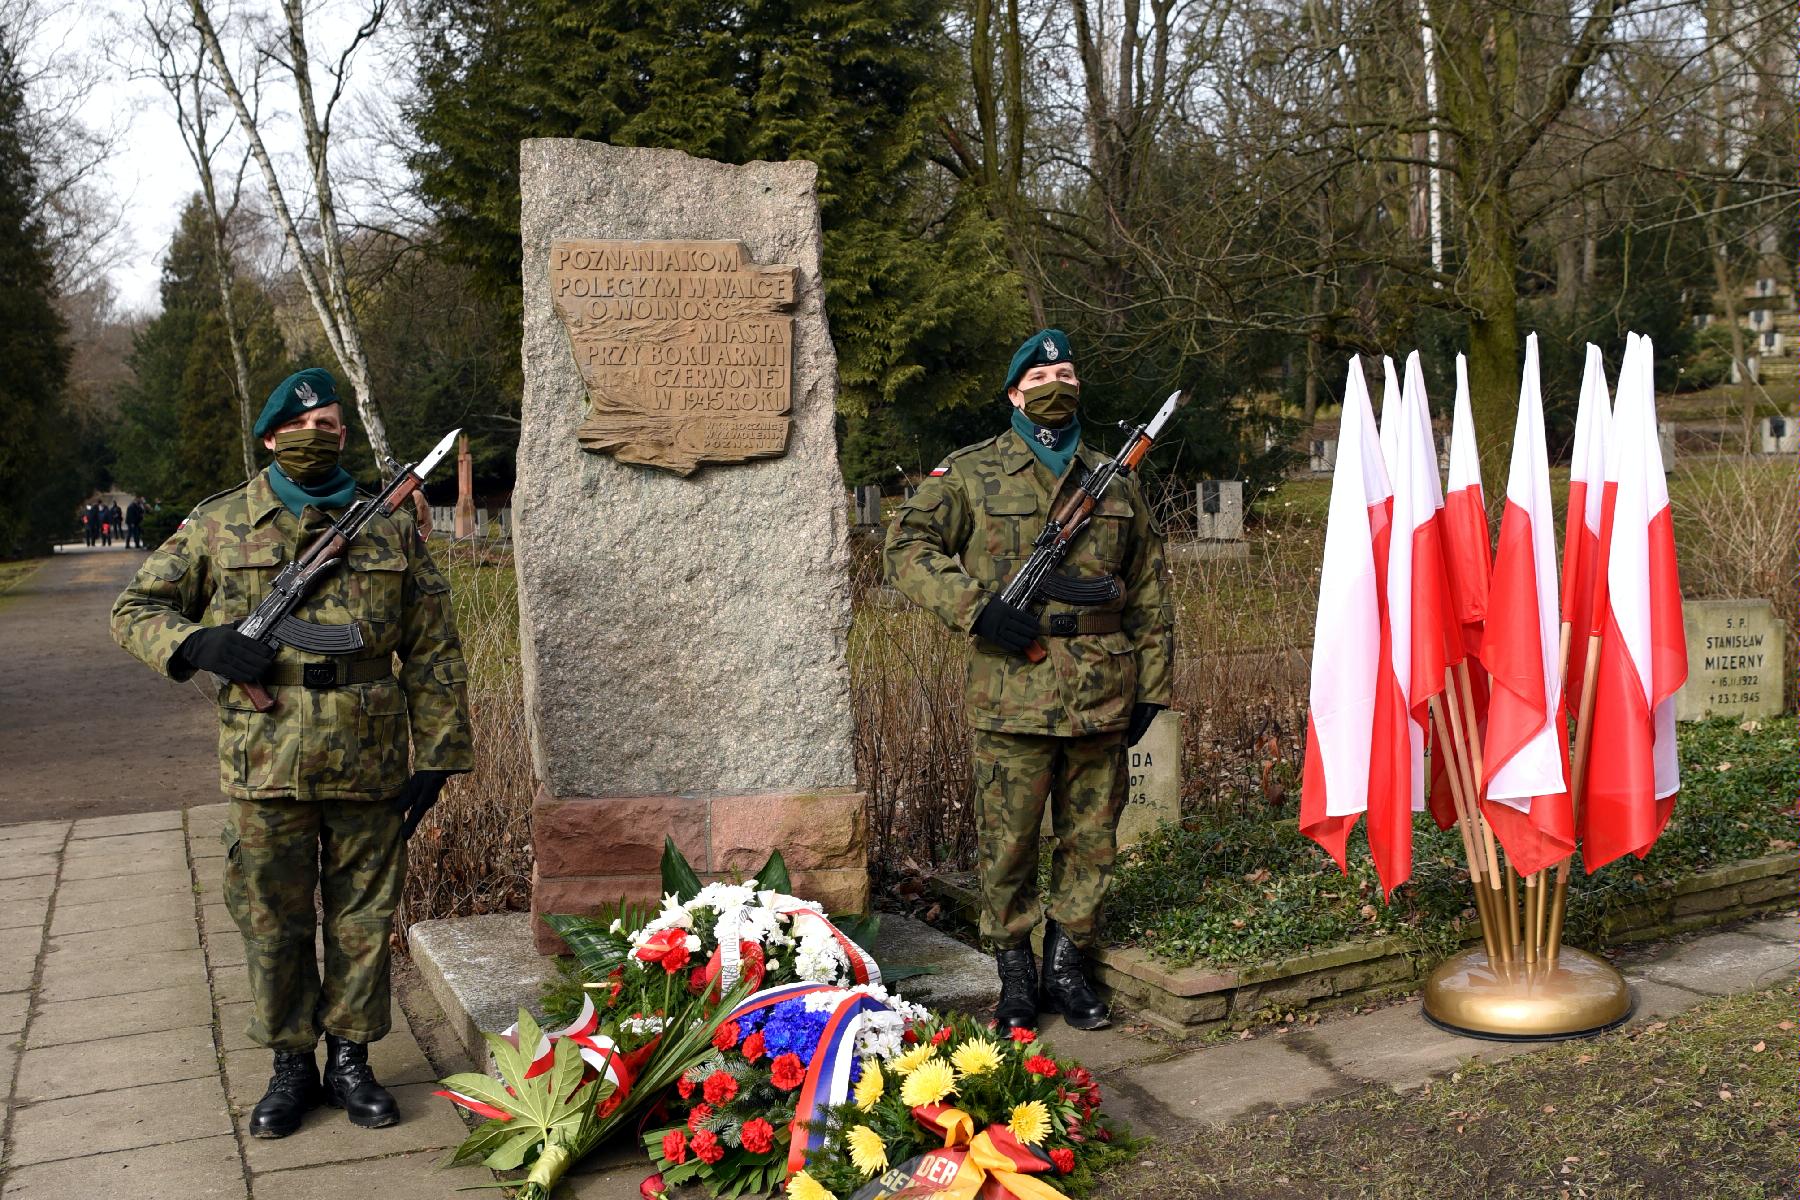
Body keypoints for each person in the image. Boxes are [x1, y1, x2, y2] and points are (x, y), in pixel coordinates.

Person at [111, 367, 473, 1139]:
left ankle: (351, 1058)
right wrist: (199, 642)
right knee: (271, 918)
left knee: (362, 917)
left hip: (370, 757)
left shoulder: (389, 524)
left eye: (334, 427)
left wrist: (440, 755)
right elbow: (134, 607)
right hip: (265, 762)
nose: (321, 436)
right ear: (270, 437)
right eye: (303, 429)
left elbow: (434, 645)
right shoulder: (221, 522)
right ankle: (289, 1064)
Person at [884, 329, 1174, 1032]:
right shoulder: (973, 473)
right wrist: (976, 608)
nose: (1056, 382)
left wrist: (1154, 689)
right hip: (1012, 692)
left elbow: (1148, 592)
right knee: (1007, 842)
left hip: (1101, 692)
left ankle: (1067, 967)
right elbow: (905, 546)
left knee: (1091, 839)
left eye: (1068, 371)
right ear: (1014, 393)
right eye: (1040, 376)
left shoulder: (1116, 480)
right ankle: (1014, 972)